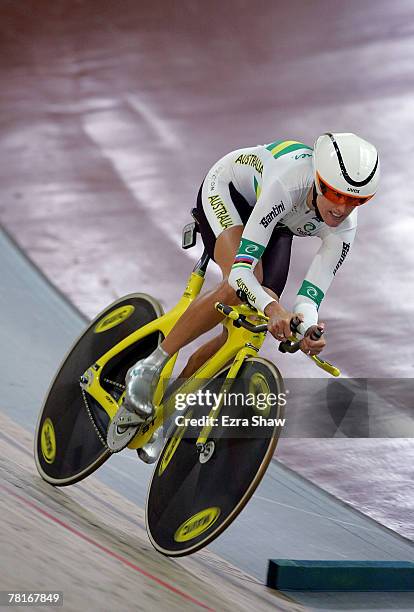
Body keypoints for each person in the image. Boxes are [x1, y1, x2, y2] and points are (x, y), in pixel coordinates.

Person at [124, 132, 380, 462]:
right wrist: (274, 308)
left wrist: (308, 330)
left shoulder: (345, 226)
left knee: (251, 323)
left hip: (278, 222)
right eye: (334, 194)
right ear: (317, 181)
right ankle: (148, 367)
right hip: (229, 193)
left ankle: (172, 406)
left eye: (355, 200)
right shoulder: (289, 184)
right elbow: (242, 275)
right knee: (237, 288)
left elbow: (309, 300)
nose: (342, 208)